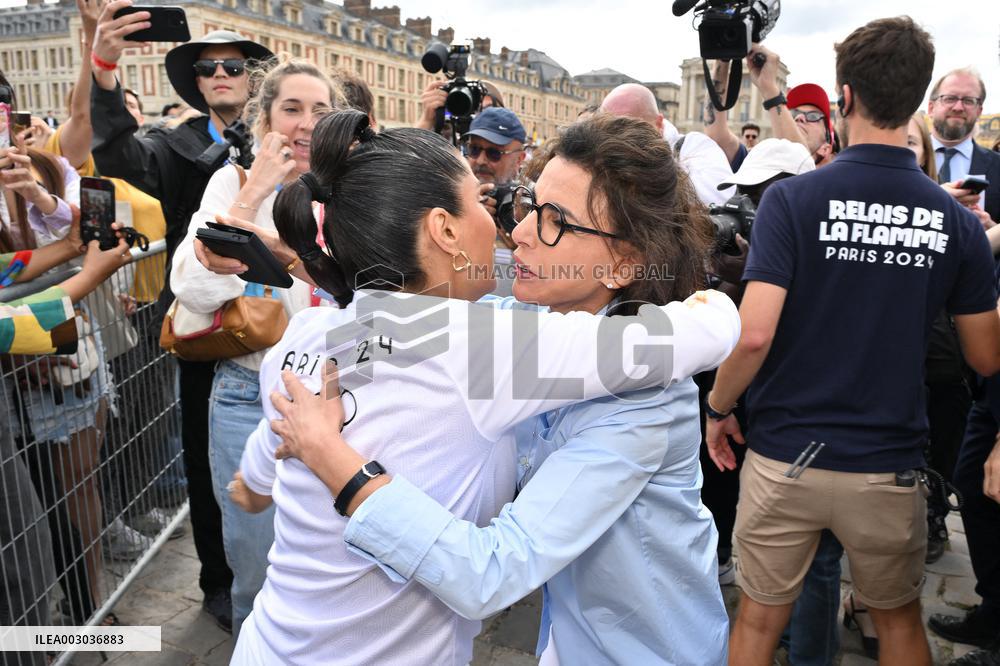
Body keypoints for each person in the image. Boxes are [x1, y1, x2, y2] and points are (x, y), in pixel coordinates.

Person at [224, 109, 740, 664]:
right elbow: (398, 322)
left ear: (623, 263)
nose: (515, 232)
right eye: (527, 204)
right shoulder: (495, 330)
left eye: (554, 222)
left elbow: (491, 572)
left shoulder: (642, 401)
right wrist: (315, 257)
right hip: (567, 636)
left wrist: (335, 464)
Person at [705, 16, 1000, 666]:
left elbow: (753, 335)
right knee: (896, 623)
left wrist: (719, 409)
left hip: (787, 455)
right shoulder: (952, 219)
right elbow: (986, 357)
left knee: (756, 623)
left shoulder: (793, 202)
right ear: (918, 100)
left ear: (845, 98)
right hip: (887, 465)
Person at [89, 0, 274, 631]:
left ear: (255, 77)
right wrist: (105, 68)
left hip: (285, 328)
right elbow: (117, 160)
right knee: (204, 459)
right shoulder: (175, 144)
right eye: (207, 68)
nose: (220, 74)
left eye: (232, 65)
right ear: (194, 84)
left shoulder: (287, 141)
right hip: (208, 328)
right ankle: (219, 583)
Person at [171, 58, 341, 635]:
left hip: (339, 395)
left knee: (330, 554)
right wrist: (256, 190)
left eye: (321, 110)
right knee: (253, 562)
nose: (306, 123)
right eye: (292, 108)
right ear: (265, 117)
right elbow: (190, 287)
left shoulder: (354, 190)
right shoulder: (233, 181)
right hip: (249, 393)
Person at [601, 82, 734, 207]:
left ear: (658, 124)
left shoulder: (695, 147)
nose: (617, 140)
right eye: (606, 129)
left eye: (627, 129)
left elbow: (718, 198)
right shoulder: (599, 157)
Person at [703, 47, 814, 172]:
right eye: (796, 113)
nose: (800, 118)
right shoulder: (751, 162)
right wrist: (722, 60)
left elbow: (800, 163)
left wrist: (770, 89)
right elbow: (716, 136)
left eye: (813, 116)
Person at [927, 67, 1000, 225]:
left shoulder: (998, 166)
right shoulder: (903, 159)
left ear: (979, 111)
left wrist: (992, 228)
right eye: (950, 98)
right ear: (931, 108)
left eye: (968, 101)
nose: (958, 107)